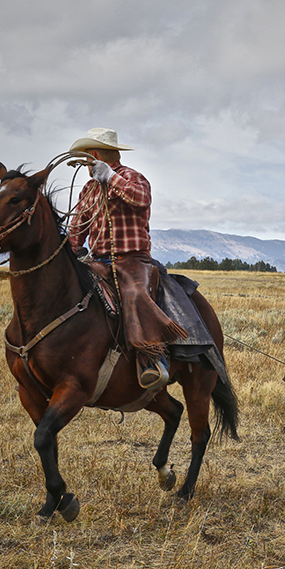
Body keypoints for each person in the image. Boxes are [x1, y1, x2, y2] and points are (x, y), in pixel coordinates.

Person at [68, 128, 186, 388]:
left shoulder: (133, 177)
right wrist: (71, 252)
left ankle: (152, 359)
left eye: (87, 158)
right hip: (98, 260)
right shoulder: (88, 189)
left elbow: (141, 199)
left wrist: (111, 177)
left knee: (135, 294)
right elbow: (78, 226)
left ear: (95, 155)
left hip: (132, 259)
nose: (85, 164)